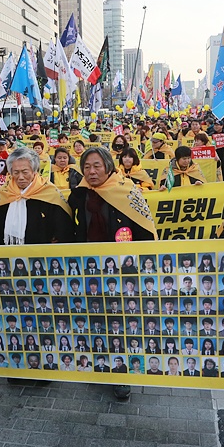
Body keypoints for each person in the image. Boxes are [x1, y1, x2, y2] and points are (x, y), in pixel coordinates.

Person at [68, 147, 156, 400]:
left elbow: (145, 229)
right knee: (95, 319)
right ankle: (99, 366)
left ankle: (121, 373)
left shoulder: (128, 191)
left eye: (96, 166)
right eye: (86, 167)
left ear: (108, 166)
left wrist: (143, 265)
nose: (91, 171)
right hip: (89, 270)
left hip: (121, 271)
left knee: (120, 324)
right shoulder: (78, 194)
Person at [0, 147, 74, 245]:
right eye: (16, 172)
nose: (20, 177)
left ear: (34, 171)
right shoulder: (3, 194)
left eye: (25, 172)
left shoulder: (50, 193)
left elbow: (63, 230)